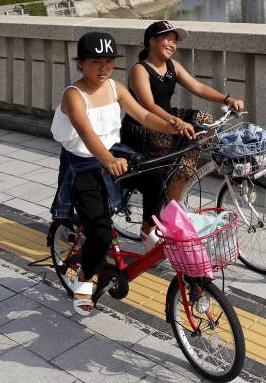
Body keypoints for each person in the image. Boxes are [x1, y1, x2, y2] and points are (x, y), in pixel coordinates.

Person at [50, 31, 194, 316]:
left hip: (115, 152)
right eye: (95, 62)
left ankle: (146, 232)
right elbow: (86, 132)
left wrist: (171, 125)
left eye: (109, 61)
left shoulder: (115, 87)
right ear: (80, 63)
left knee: (156, 180)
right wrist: (107, 160)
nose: (103, 68)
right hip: (83, 163)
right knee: (100, 236)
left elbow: (143, 115)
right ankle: (83, 279)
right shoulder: (73, 95)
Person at [120, 20, 244, 239]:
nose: (172, 44)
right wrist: (175, 123)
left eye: (175, 41)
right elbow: (148, 105)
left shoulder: (173, 66)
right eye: (168, 39)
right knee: (171, 151)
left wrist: (227, 99)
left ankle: (175, 196)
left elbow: (198, 87)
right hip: (145, 127)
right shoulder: (139, 70)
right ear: (152, 41)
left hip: (169, 120)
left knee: (203, 125)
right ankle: (155, 214)